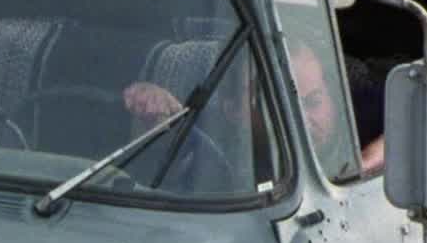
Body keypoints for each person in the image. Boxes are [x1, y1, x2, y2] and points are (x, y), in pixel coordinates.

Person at [123, 40, 385, 180]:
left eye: (313, 102)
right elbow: (160, 167)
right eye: (278, 107)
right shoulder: (213, 143)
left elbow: (408, 118)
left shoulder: (358, 112)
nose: (301, 121)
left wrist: (366, 162)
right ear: (233, 110)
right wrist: (155, 111)